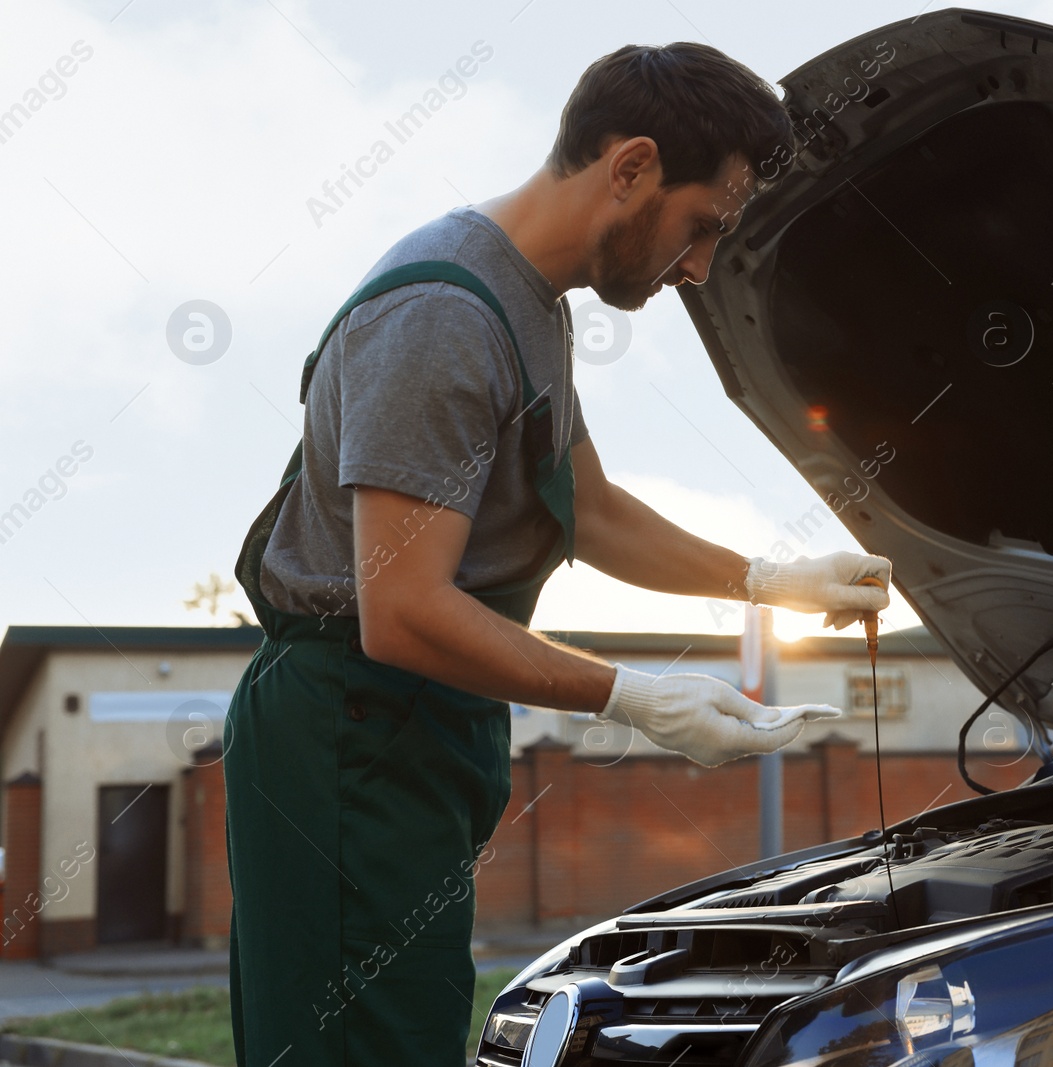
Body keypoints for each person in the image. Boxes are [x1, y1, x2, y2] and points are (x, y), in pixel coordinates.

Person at [221, 40, 892, 1065]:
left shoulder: (529, 301)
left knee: (415, 1019)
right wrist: (629, 694)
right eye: (702, 224)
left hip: (408, 736)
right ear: (630, 167)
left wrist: (766, 582)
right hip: (348, 738)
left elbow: (587, 502)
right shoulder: (443, 315)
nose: (702, 266)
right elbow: (400, 609)